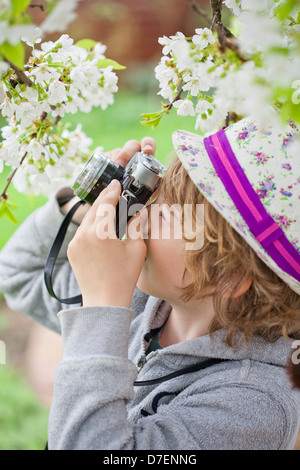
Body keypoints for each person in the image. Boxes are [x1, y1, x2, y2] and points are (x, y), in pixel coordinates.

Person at [0, 117, 299, 450]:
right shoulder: (146, 303)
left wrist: (103, 305)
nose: (139, 212)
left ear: (228, 276)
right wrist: (84, 207)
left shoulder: (253, 407)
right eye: (152, 195)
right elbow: (19, 272)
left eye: (163, 215)